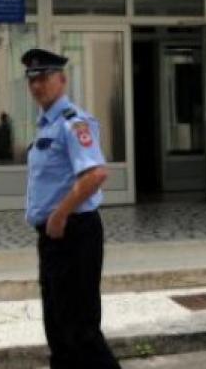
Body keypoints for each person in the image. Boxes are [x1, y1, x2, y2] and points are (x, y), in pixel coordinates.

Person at [21, 48, 120, 369]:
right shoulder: (46, 125)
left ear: (62, 80)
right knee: (58, 328)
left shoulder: (73, 123)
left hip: (74, 232)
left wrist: (60, 214)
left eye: (44, 77)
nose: (37, 85)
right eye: (32, 79)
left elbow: (96, 174)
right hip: (54, 236)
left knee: (80, 329)